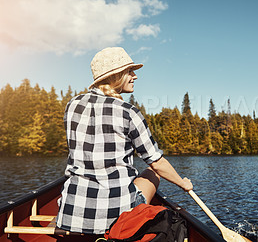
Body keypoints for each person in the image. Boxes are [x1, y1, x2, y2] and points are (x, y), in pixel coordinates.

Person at [56, 47, 193, 234]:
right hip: (116, 218)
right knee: (153, 173)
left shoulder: (72, 105)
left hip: (72, 215)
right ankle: (132, 220)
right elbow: (156, 162)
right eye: (129, 71)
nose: (135, 76)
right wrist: (183, 183)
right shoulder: (128, 112)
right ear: (116, 75)